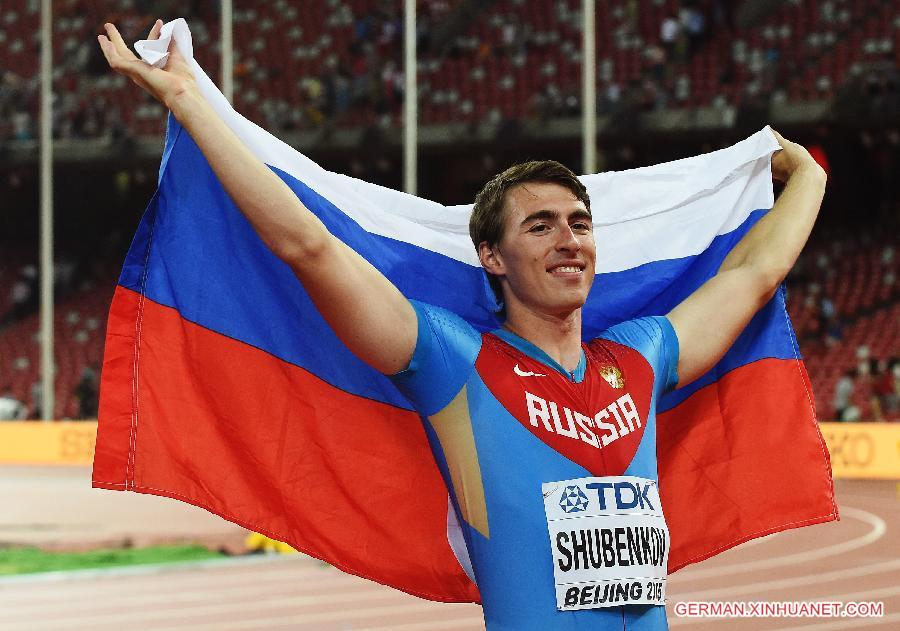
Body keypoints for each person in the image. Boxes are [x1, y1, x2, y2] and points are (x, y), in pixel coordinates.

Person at [98, 19, 827, 630]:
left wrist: (813, 177)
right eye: (539, 226)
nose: (569, 240)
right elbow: (308, 246)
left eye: (579, 224)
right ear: (492, 256)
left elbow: (750, 275)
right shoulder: (453, 360)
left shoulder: (639, 356)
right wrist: (194, 105)